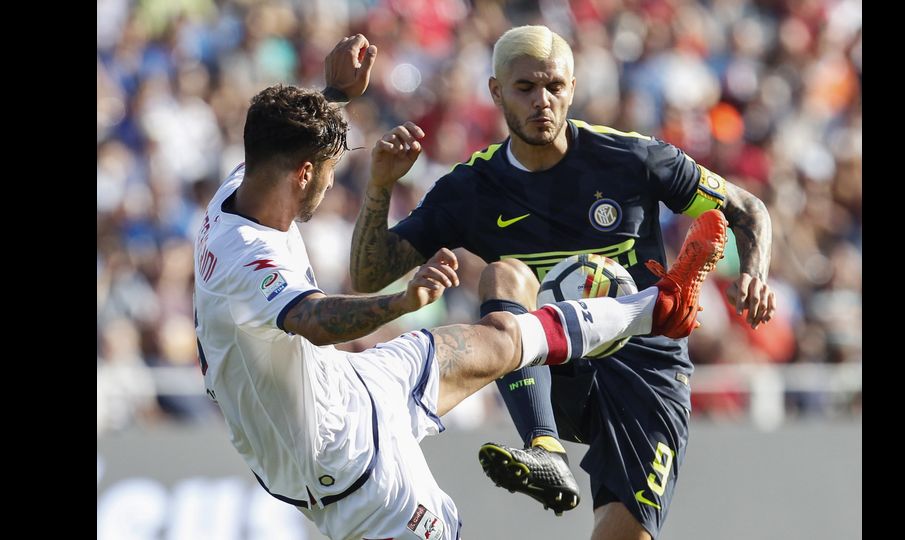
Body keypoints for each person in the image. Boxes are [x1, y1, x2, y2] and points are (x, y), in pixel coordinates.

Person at [193, 34, 729, 540]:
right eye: (331, 171)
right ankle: (651, 308)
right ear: (305, 174)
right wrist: (402, 302)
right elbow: (313, 321)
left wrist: (334, 95)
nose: (334, 182)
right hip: (343, 460)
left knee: (500, 336)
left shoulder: (242, 187)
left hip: (356, 383)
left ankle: (656, 307)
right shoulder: (248, 257)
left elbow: (285, 135)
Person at [349, 25, 775, 540]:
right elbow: (370, 274)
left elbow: (747, 211)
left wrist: (753, 273)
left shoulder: (631, 159)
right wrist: (379, 186)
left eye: (554, 86)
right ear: (496, 92)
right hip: (558, 371)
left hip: (645, 368)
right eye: (525, 88)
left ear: (572, 87)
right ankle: (543, 447)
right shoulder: (470, 189)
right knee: (506, 273)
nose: (542, 101)